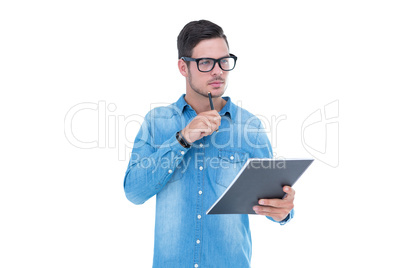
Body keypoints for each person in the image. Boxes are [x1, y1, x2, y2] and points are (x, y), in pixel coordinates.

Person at [124, 20, 295, 268]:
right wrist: (182, 139)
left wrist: (283, 212)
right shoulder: (157, 122)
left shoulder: (249, 126)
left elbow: (271, 199)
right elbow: (134, 193)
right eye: (206, 62)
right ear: (184, 67)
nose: (218, 71)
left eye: (224, 61)